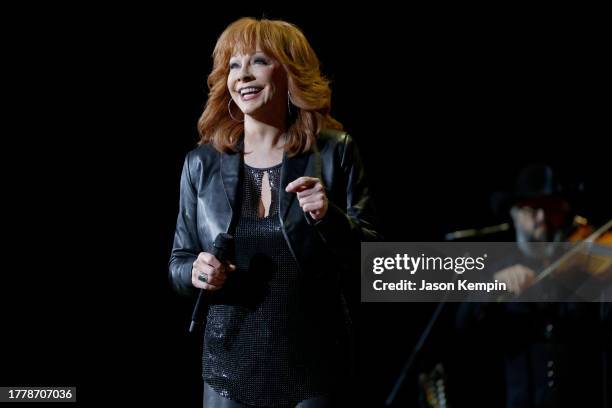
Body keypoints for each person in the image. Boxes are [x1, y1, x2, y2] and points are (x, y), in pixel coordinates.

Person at [168, 17, 380, 407]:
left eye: (259, 61)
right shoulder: (202, 163)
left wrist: (328, 218)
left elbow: (372, 262)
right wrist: (198, 273)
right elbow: (179, 263)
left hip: (316, 364)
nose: (243, 75)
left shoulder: (335, 151)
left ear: (290, 71)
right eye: (234, 65)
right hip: (230, 364)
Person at [455, 164, 611, 408]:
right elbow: (463, 328)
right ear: (514, 214)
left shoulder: (587, 266)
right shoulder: (499, 270)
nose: (542, 219)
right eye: (533, 209)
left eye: (551, 208)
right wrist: (491, 287)